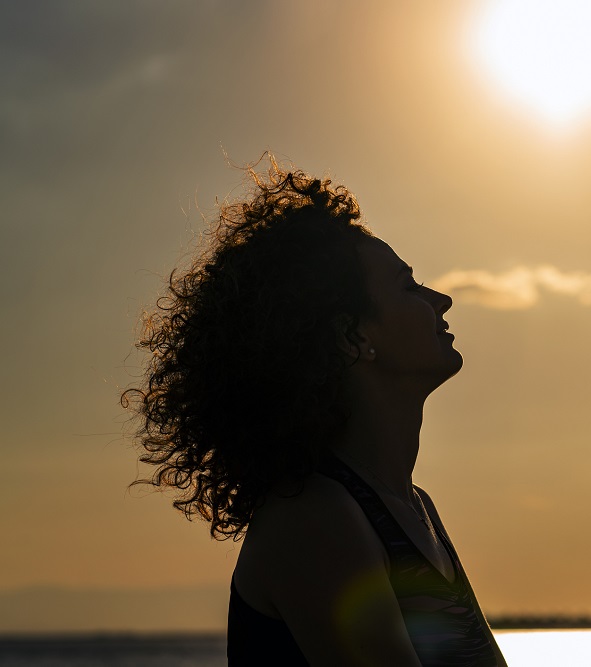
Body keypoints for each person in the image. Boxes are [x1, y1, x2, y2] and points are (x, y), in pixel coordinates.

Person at [124, 157, 508, 666]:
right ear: (354, 336)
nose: (441, 299)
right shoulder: (315, 518)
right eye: (407, 287)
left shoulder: (415, 508)